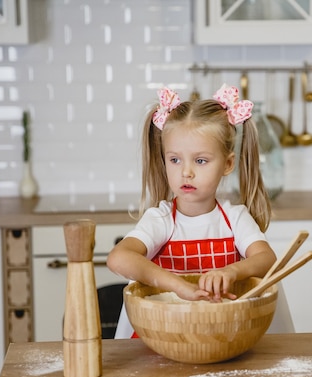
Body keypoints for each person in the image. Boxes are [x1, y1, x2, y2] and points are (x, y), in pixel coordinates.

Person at [107, 84, 277, 338]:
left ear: (228, 164)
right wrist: (177, 285)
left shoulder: (235, 218)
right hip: (163, 335)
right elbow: (118, 259)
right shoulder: (161, 220)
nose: (186, 172)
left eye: (200, 160)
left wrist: (232, 271)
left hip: (221, 334)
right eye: (175, 160)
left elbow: (267, 260)